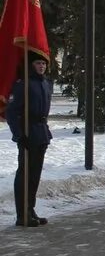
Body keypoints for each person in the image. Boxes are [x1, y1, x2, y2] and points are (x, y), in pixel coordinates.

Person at [7, 52, 52, 227]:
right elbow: (12, 112)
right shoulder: (23, 84)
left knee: (35, 175)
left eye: (43, 63)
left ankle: (30, 209)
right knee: (25, 174)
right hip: (28, 133)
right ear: (31, 65)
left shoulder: (46, 83)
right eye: (38, 63)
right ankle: (22, 214)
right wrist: (19, 135)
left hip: (41, 133)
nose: (41, 66)